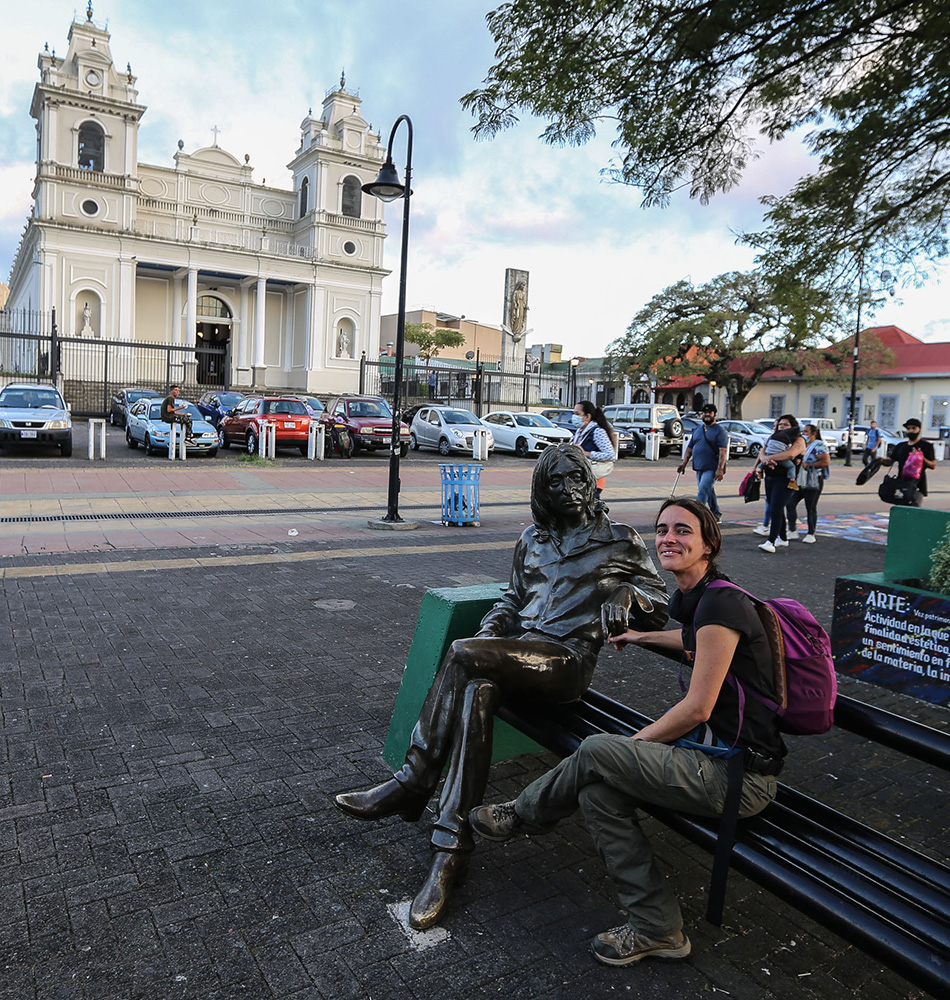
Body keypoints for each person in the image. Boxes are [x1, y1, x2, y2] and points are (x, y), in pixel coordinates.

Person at [335, 445, 669, 930]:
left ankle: (413, 781)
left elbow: (658, 602)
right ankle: (449, 852)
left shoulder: (620, 540)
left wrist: (629, 591)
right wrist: (493, 630)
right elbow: (511, 599)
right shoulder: (532, 540)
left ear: (591, 480)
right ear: (542, 491)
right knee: (477, 691)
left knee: (463, 653)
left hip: (565, 663)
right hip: (515, 656)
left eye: (577, 477)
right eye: (555, 482)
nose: (569, 488)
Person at [469, 497, 784, 966]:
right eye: (661, 530)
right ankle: (658, 929)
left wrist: (632, 747)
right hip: (711, 759)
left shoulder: (722, 602)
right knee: (599, 795)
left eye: (683, 530)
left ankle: (522, 813)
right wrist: (640, 636)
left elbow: (697, 709)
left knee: (598, 751)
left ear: (708, 544)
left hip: (738, 777)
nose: (668, 538)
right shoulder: (699, 598)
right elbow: (697, 639)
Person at [758, 415, 805, 553]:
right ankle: (783, 539)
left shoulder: (798, 439)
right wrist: (764, 460)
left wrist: (768, 459)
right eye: (780, 425)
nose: (782, 427)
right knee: (775, 507)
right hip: (770, 477)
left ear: (793, 427)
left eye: (786, 425)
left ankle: (770, 541)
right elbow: (762, 451)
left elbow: (790, 454)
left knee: (775, 509)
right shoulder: (774, 438)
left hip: (786, 480)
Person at [677, 404, 728, 522]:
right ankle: (716, 513)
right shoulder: (698, 430)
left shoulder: (720, 431)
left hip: (712, 467)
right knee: (708, 490)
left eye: (710, 412)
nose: (707, 414)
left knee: (703, 490)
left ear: (715, 415)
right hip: (699, 466)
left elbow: (722, 451)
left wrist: (720, 468)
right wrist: (684, 463)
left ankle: (696, 516)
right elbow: (689, 448)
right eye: (705, 412)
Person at [785, 424, 831, 544]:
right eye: (803, 431)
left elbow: (825, 461)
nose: (803, 434)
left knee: (810, 506)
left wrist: (809, 465)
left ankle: (811, 533)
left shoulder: (819, 445)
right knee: (790, 503)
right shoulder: (802, 444)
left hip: (813, 478)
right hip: (800, 478)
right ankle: (792, 529)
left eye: (806, 432)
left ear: (813, 433)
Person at [881, 418, 936, 506]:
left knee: (913, 511)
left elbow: (933, 465)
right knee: (901, 511)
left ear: (919, 430)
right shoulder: (901, 446)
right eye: (908, 428)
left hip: (917, 486)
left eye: (913, 428)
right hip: (901, 484)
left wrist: (920, 457)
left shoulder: (926, 446)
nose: (910, 431)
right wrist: (882, 460)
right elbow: (890, 462)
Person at [572, 399, 618, 499]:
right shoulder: (580, 431)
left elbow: (610, 455)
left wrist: (586, 453)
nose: (574, 417)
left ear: (587, 416)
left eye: (577, 413)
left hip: (594, 480)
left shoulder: (597, 432)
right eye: (573, 413)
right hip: (581, 479)